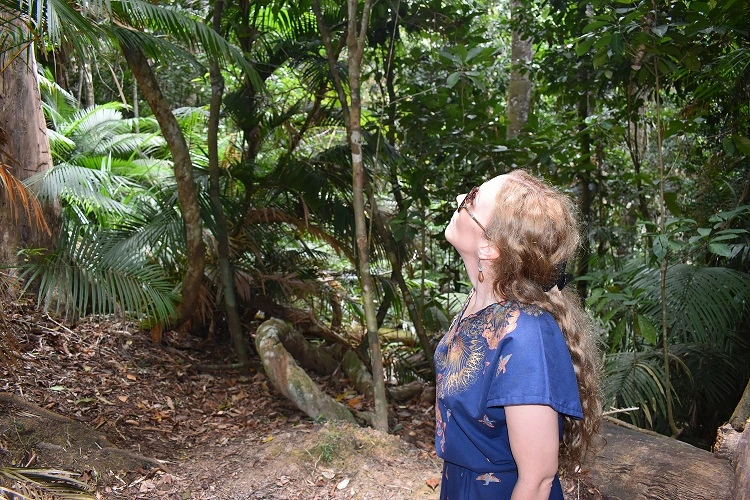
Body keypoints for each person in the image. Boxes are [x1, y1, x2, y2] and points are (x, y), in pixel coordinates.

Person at [434, 169, 601, 499]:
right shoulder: (480, 302)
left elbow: (538, 480)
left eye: (470, 199)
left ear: (490, 248)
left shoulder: (527, 336)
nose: (458, 200)